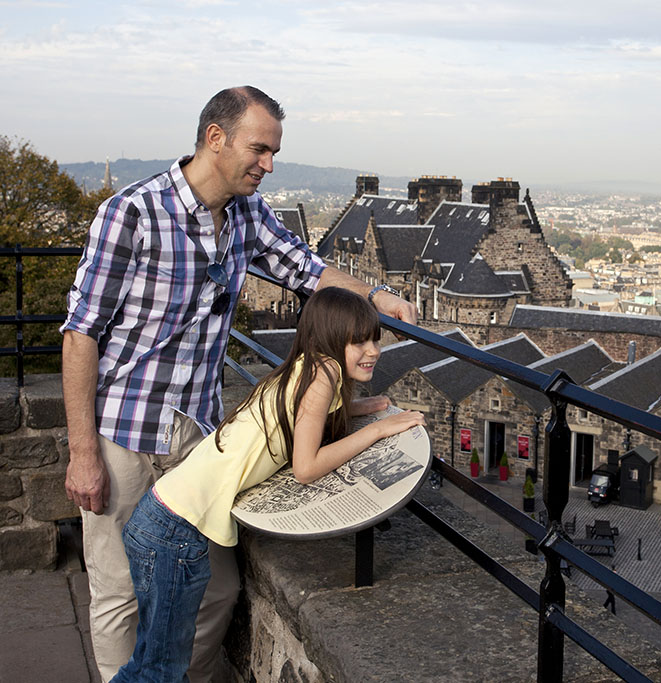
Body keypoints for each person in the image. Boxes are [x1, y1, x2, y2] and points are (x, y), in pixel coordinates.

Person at [61, 86, 417, 682]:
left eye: (275, 152)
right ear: (215, 138)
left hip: (198, 434)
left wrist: (374, 297)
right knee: (120, 592)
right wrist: (81, 452)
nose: (269, 165)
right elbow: (80, 335)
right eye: (260, 149)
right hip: (123, 430)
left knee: (216, 592)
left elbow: (303, 268)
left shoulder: (248, 215)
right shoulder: (132, 213)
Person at [110, 287, 425, 681]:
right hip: (173, 533)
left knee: (148, 662)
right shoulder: (323, 375)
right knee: (160, 671)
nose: (373, 350)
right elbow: (306, 467)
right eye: (358, 340)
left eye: (375, 338)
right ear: (329, 339)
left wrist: (359, 408)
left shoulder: (306, 369)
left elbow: (306, 418)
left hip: (160, 518)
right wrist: (377, 431)